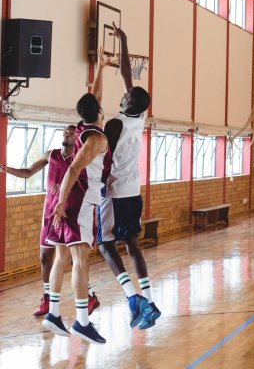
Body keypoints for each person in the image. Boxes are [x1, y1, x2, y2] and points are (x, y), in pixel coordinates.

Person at [42, 56, 111, 344]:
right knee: (81, 262)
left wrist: (102, 68)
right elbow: (73, 169)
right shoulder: (96, 139)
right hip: (79, 200)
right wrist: (61, 203)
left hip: (68, 198)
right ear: (100, 112)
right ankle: (82, 321)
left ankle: (53, 313)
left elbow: (94, 96)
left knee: (62, 257)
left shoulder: (82, 126)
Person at [95, 25, 160, 330]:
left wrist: (97, 185)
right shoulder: (140, 116)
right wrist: (123, 40)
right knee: (132, 245)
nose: (122, 95)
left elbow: (104, 159)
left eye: (124, 96)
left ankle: (133, 298)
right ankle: (150, 299)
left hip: (115, 191)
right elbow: (127, 77)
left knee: (106, 245)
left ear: (126, 103)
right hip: (134, 190)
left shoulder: (114, 124)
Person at [2, 125, 100, 317]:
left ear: (78, 137)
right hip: (49, 213)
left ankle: (88, 295)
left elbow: (85, 185)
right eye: (65, 132)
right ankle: (47, 298)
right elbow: (28, 172)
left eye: (71, 133)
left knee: (74, 259)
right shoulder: (51, 155)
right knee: (45, 257)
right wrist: (7, 169)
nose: (67, 134)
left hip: (70, 212)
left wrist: (64, 189)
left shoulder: (82, 158)